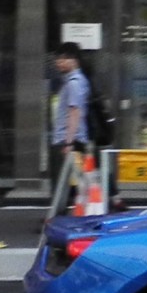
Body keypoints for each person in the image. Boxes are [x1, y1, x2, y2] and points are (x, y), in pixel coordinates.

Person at [49, 41, 90, 190]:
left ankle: (61, 212)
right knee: (73, 185)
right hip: (71, 139)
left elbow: (75, 112)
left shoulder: (74, 83)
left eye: (62, 58)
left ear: (73, 60)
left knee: (61, 186)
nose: (58, 62)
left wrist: (68, 143)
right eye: (58, 59)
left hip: (66, 139)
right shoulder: (78, 81)